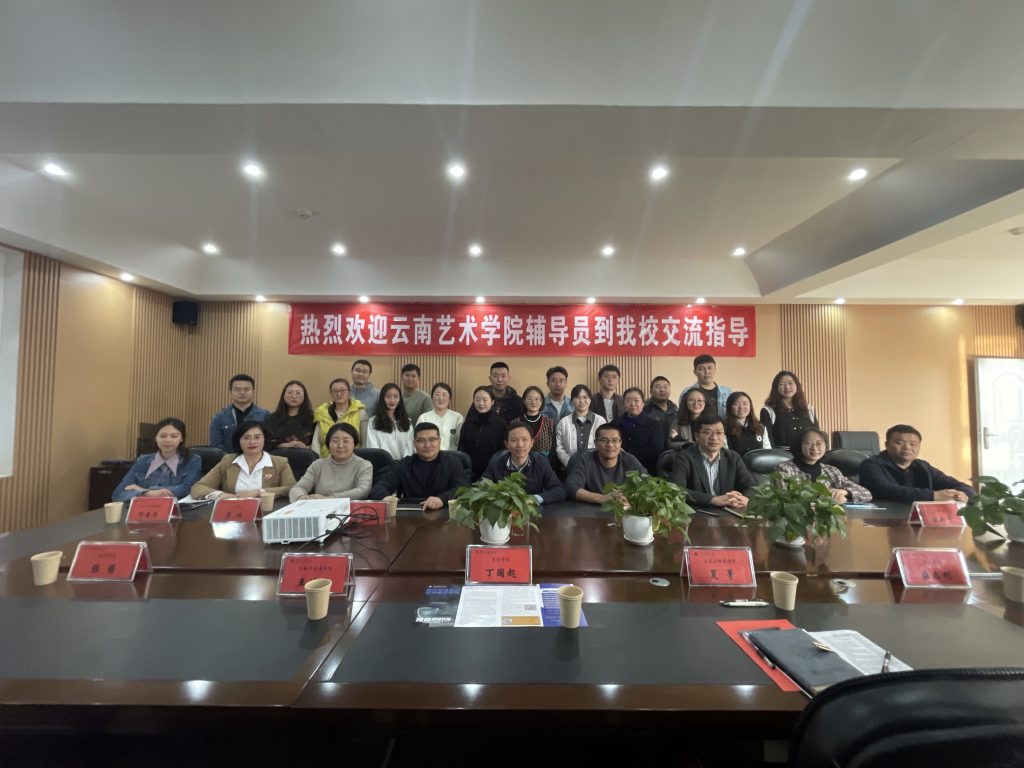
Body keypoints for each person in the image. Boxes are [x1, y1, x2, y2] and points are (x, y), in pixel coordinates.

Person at [370, 423, 471, 511]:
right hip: (413, 515)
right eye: (421, 441)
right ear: (414, 443)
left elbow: (462, 488)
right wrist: (385, 497)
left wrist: (442, 498)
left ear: (439, 441)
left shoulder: (453, 462)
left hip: (444, 514)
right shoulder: (404, 464)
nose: (427, 445)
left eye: (432, 439)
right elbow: (379, 488)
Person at [859, 425, 974, 503]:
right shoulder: (871, 465)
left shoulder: (923, 467)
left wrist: (961, 494)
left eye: (913, 444)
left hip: (921, 519)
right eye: (899, 443)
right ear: (887, 445)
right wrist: (933, 496)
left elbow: (958, 485)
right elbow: (883, 490)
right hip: (884, 520)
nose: (907, 447)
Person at [666, 414, 755, 510]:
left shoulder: (733, 458)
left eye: (719, 433)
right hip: (699, 513)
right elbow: (677, 490)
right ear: (697, 436)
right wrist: (713, 500)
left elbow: (752, 486)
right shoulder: (684, 457)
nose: (714, 437)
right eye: (707, 432)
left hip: (728, 513)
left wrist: (745, 498)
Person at [191, 421, 295, 500]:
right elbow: (198, 487)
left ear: (265, 439)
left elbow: (290, 488)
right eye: (246, 438)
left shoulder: (280, 463)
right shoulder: (227, 461)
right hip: (233, 512)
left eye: (257, 437)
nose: (252, 442)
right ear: (239, 441)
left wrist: (259, 492)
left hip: (266, 512)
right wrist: (221, 495)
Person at [112, 418, 202, 501]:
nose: (168, 440)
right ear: (156, 438)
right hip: (143, 511)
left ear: (181, 438)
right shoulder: (142, 461)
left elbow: (188, 489)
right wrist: (148, 493)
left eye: (174, 436)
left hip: (178, 511)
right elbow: (118, 494)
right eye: (163, 436)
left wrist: (141, 490)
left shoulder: (192, 460)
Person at [776, 428, 871, 503]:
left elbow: (866, 494)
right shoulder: (784, 468)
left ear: (825, 446)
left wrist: (845, 492)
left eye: (819, 443)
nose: (814, 448)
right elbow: (785, 498)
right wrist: (828, 498)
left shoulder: (831, 470)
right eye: (808, 443)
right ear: (799, 445)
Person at [483, 424, 566, 505]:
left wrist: (533, 499)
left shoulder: (540, 461)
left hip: (532, 510)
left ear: (532, 442)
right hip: (504, 509)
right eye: (514, 440)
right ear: (506, 444)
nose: (520, 445)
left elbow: (559, 490)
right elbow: (481, 488)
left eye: (524, 440)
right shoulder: (496, 462)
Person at [289, 423, 373, 502]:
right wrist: (301, 497)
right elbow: (299, 487)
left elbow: (362, 491)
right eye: (335, 441)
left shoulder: (364, 465)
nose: (340, 445)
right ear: (328, 444)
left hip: (351, 509)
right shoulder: (318, 465)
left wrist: (328, 499)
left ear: (354, 444)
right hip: (320, 508)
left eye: (346, 441)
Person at [565, 423, 646, 504]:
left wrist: (629, 497)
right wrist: (603, 498)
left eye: (615, 440)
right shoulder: (585, 459)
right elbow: (571, 488)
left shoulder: (630, 460)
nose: (610, 445)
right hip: (590, 508)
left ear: (620, 443)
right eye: (604, 440)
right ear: (596, 443)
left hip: (623, 507)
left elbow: (648, 485)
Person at [208, 374, 271, 452]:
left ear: (253, 391)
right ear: (231, 392)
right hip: (229, 458)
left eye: (246, 389)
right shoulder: (219, 417)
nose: (242, 392)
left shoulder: (265, 415)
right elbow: (216, 446)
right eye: (238, 390)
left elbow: (269, 442)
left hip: (257, 458)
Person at [458, 386, 509, 479]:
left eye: (485, 400)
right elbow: (461, 446)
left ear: (492, 402)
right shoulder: (468, 422)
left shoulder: (500, 424)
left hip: (492, 472)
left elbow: (503, 451)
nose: (481, 403)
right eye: (477, 400)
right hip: (469, 471)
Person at [612, 387, 667, 474]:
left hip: (645, 470)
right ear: (623, 403)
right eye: (628, 401)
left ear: (643, 403)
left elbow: (656, 450)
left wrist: (626, 454)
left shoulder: (654, 425)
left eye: (636, 400)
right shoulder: (615, 424)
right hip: (617, 469)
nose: (632, 404)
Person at [760, 370, 818, 451]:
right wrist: (772, 455)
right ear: (776, 388)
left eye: (790, 383)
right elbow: (767, 440)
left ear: (797, 385)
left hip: (807, 454)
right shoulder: (768, 410)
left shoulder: (808, 409)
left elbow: (817, 435)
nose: (787, 387)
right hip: (782, 454)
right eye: (782, 384)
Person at [555, 384, 607, 469]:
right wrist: (570, 463)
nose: (582, 401)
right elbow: (559, 447)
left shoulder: (600, 421)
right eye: (577, 398)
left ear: (590, 400)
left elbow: (604, 443)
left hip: (596, 467)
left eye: (585, 397)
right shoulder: (563, 422)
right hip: (570, 467)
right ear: (572, 401)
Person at [311, 378, 367, 457]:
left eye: (342, 390)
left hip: (353, 458)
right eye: (335, 391)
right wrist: (317, 461)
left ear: (349, 392)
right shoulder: (322, 413)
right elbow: (316, 442)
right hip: (326, 459)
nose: (339, 394)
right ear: (331, 393)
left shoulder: (360, 412)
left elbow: (365, 441)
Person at [365, 382, 414, 460]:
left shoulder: (407, 421)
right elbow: (373, 446)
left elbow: (409, 446)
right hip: (382, 464)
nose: (392, 400)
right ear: (382, 398)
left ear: (400, 399)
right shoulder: (373, 421)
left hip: (403, 464)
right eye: (388, 397)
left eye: (396, 397)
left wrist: (404, 463)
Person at [266, 380, 315, 450]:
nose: (294, 396)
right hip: (278, 455)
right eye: (290, 392)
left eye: (298, 393)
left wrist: (307, 447)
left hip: (305, 454)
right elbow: (266, 442)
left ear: (304, 396)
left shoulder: (312, 418)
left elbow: (319, 443)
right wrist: (284, 445)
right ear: (283, 395)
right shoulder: (273, 418)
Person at [417, 382, 464, 451]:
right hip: (429, 455)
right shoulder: (423, 418)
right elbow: (418, 441)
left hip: (452, 456)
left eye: (444, 395)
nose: (441, 398)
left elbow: (461, 443)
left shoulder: (458, 418)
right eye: (437, 394)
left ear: (449, 399)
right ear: (432, 398)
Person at [511, 385, 555, 455]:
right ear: (524, 401)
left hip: (544, 461)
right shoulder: (514, 423)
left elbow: (554, 450)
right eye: (530, 399)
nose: (533, 402)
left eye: (537, 399)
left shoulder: (550, 423)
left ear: (541, 401)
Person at [724, 391, 772, 455]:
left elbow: (767, 451)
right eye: (736, 404)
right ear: (729, 407)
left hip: (760, 461)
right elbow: (725, 454)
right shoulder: (724, 428)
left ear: (750, 406)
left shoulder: (760, 426)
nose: (741, 407)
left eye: (745, 403)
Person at [643, 376, 678, 440]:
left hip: (672, 445)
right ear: (650, 391)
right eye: (658, 387)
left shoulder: (675, 409)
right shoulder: (644, 408)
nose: (662, 390)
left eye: (665, 387)